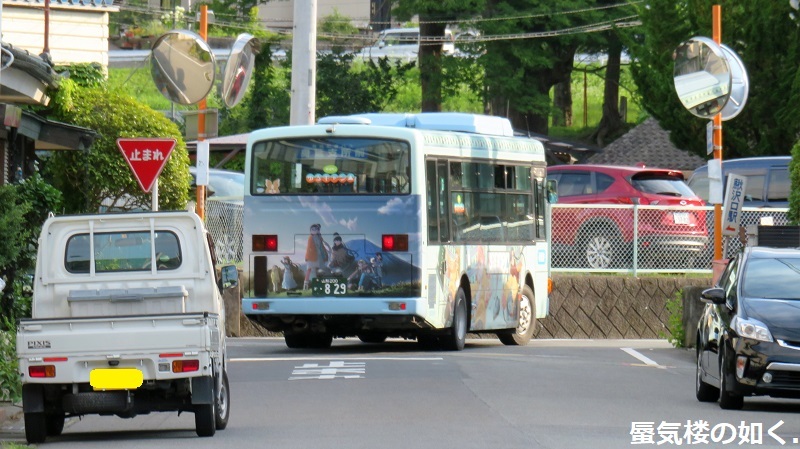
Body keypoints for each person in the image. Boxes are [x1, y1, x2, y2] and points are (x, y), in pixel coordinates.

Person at [304, 223, 330, 290]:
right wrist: (307, 256)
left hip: (319, 256)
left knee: (319, 270)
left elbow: (322, 246)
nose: (315, 230)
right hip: (312, 256)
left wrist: (325, 254)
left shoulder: (319, 237)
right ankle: (306, 285)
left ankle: (318, 285)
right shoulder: (310, 237)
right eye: (313, 229)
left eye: (317, 229)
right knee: (309, 269)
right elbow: (308, 247)